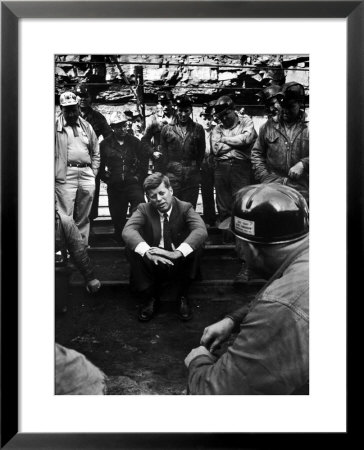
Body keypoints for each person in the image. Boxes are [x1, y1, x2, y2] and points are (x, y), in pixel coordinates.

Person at [184, 183, 309, 395]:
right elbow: (287, 297)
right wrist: (233, 319)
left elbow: (218, 394)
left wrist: (198, 360)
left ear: (248, 247)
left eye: (237, 241)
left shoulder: (281, 308)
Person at [122, 173, 208, 322]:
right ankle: (151, 297)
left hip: (179, 260)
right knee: (131, 247)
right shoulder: (144, 209)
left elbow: (201, 230)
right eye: (153, 196)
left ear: (171, 191)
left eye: (162, 193)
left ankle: (182, 295)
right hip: (155, 259)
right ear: (148, 198)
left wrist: (177, 253)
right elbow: (128, 231)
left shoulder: (185, 207)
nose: (159, 200)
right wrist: (147, 251)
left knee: (197, 245)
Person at [251, 82, 309, 203]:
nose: (285, 111)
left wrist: (303, 164)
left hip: (303, 189)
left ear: (300, 104)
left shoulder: (310, 127)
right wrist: (265, 177)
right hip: (273, 186)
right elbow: (257, 154)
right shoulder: (268, 127)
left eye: (291, 106)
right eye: (283, 106)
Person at [55, 91, 100, 245]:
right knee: (65, 216)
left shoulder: (86, 126)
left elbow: (96, 151)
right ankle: (63, 249)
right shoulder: (55, 127)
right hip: (65, 174)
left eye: (74, 109)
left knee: (84, 214)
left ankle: (81, 249)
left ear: (78, 108)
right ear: (61, 109)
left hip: (87, 173)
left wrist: (93, 171)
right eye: (68, 110)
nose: (72, 113)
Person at [99, 111, 149, 244]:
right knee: (117, 215)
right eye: (118, 126)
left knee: (140, 205)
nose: (122, 129)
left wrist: (138, 177)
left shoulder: (134, 142)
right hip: (115, 185)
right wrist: (107, 178)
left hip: (132, 183)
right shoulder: (105, 144)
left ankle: (137, 236)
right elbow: (99, 164)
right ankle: (120, 240)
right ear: (112, 128)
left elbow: (144, 161)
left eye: (124, 125)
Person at [210, 95, 257, 223]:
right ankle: (227, 235)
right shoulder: (217, 128)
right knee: (223, 204)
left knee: (242, 201)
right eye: (221, 116)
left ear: (233, 110)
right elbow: (216, 149)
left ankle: (241, 235)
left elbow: (246, 139)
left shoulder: (246, 121)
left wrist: (224, 139)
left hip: (241, 167)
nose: (224, 118)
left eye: (227, 114)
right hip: (221, 168)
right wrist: (238, 143)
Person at [75, 85, 113, 232]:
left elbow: (110, 139)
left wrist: (106, 160)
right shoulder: (68, 115)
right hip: (71, 163)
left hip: (91, 164)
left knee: (91, 195)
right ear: (76, 97)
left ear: (91, 98)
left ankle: (89, 228)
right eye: (80, 96)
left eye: (86, 96)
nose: (83, 99)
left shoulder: (98, 118)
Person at [160, 94, 205, 209]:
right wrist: (169, 168)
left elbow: (201, 152)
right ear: (176, 109)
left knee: (189, 208)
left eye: (186, 111)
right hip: (173, 175)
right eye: (180, 110)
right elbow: (164, 152)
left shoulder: (198, 129)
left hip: (192, 175)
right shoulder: (166, 129)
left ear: (191, 110)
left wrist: (194, 167)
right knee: (173, 207)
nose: (183, 114)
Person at [141, 90, 176, 173]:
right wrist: (152, 152)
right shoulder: (154, 119)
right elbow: (144, 140)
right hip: (160, 160)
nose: (165, 106)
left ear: (172, 103)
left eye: (167, 103)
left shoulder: (179, 118)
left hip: (176, 160)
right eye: (163, 104)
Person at [199, 106, 217, 227]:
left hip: (216, 165)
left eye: (209, 118)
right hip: (203, 166)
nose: (207, 121)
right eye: (204, 118)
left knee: (221, 194)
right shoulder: (198, 131)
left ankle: (220, 218)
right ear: (200, 118)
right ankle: (208, 219)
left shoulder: (216, 130)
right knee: (207, 193)